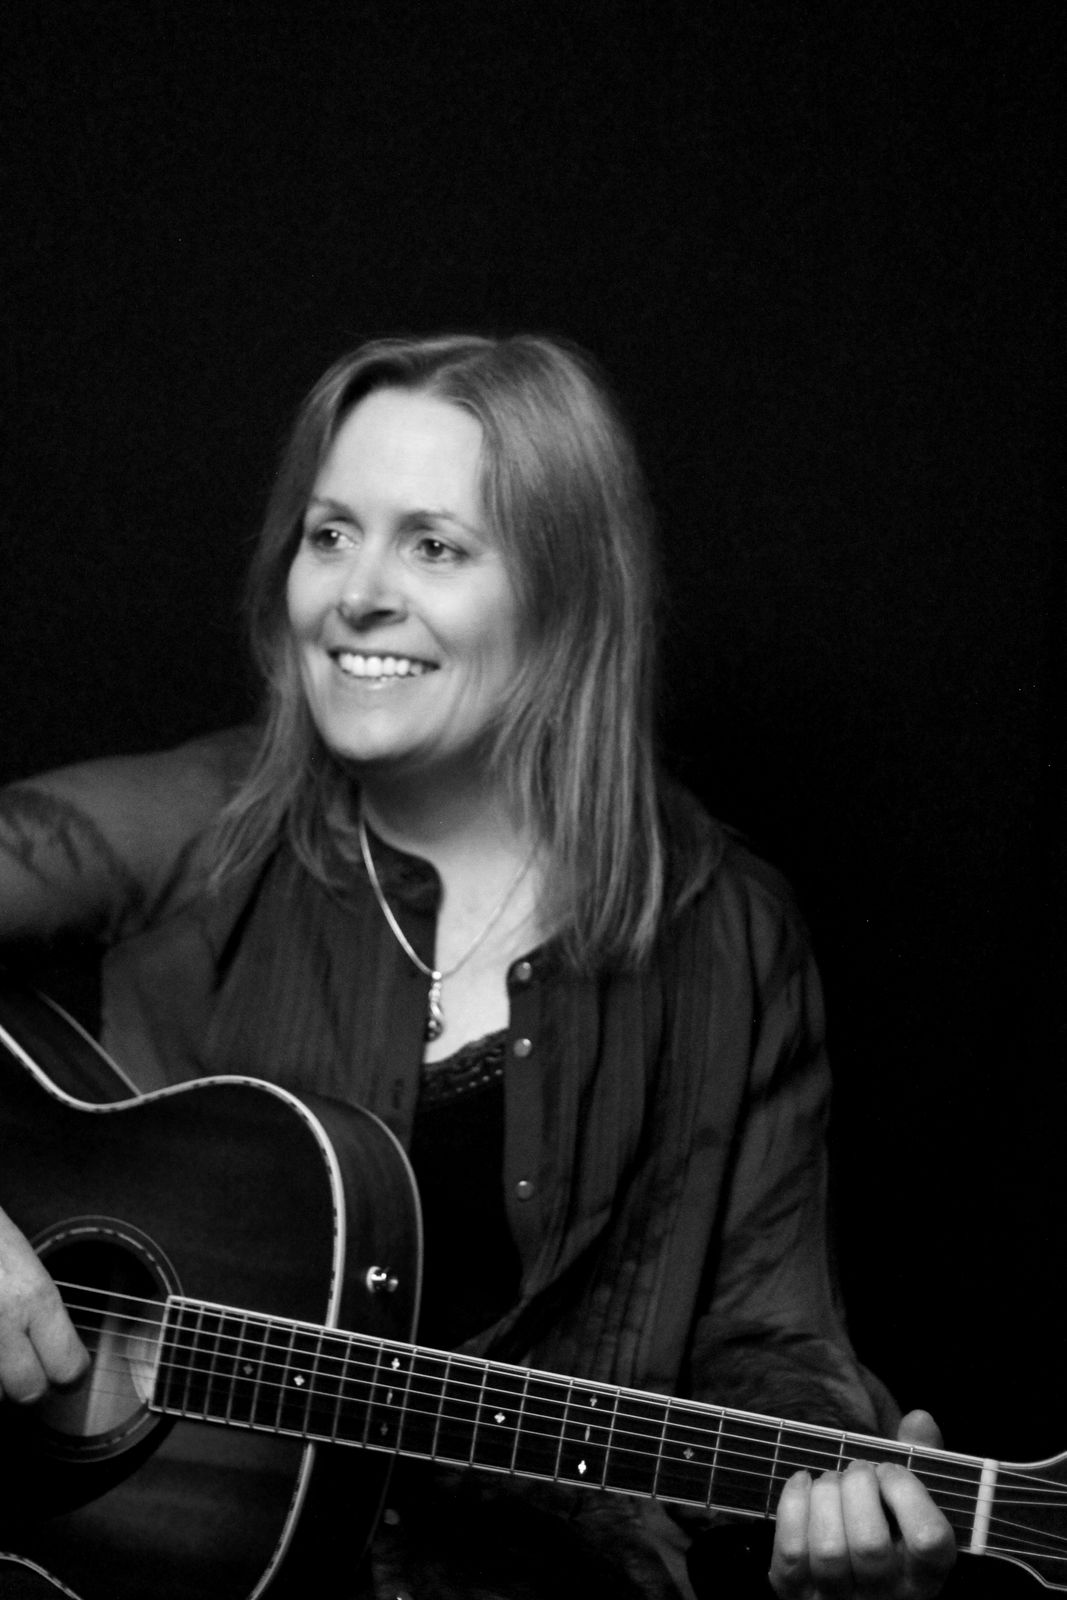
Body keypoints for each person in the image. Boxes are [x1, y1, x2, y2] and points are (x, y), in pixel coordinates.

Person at [0, 333, 956, 1599]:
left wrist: (829, 1507)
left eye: (434, 547)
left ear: (565, 596)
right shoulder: (197, 824)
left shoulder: (724, 931)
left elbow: (766, 1335)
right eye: (330, 534)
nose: (356, 593)